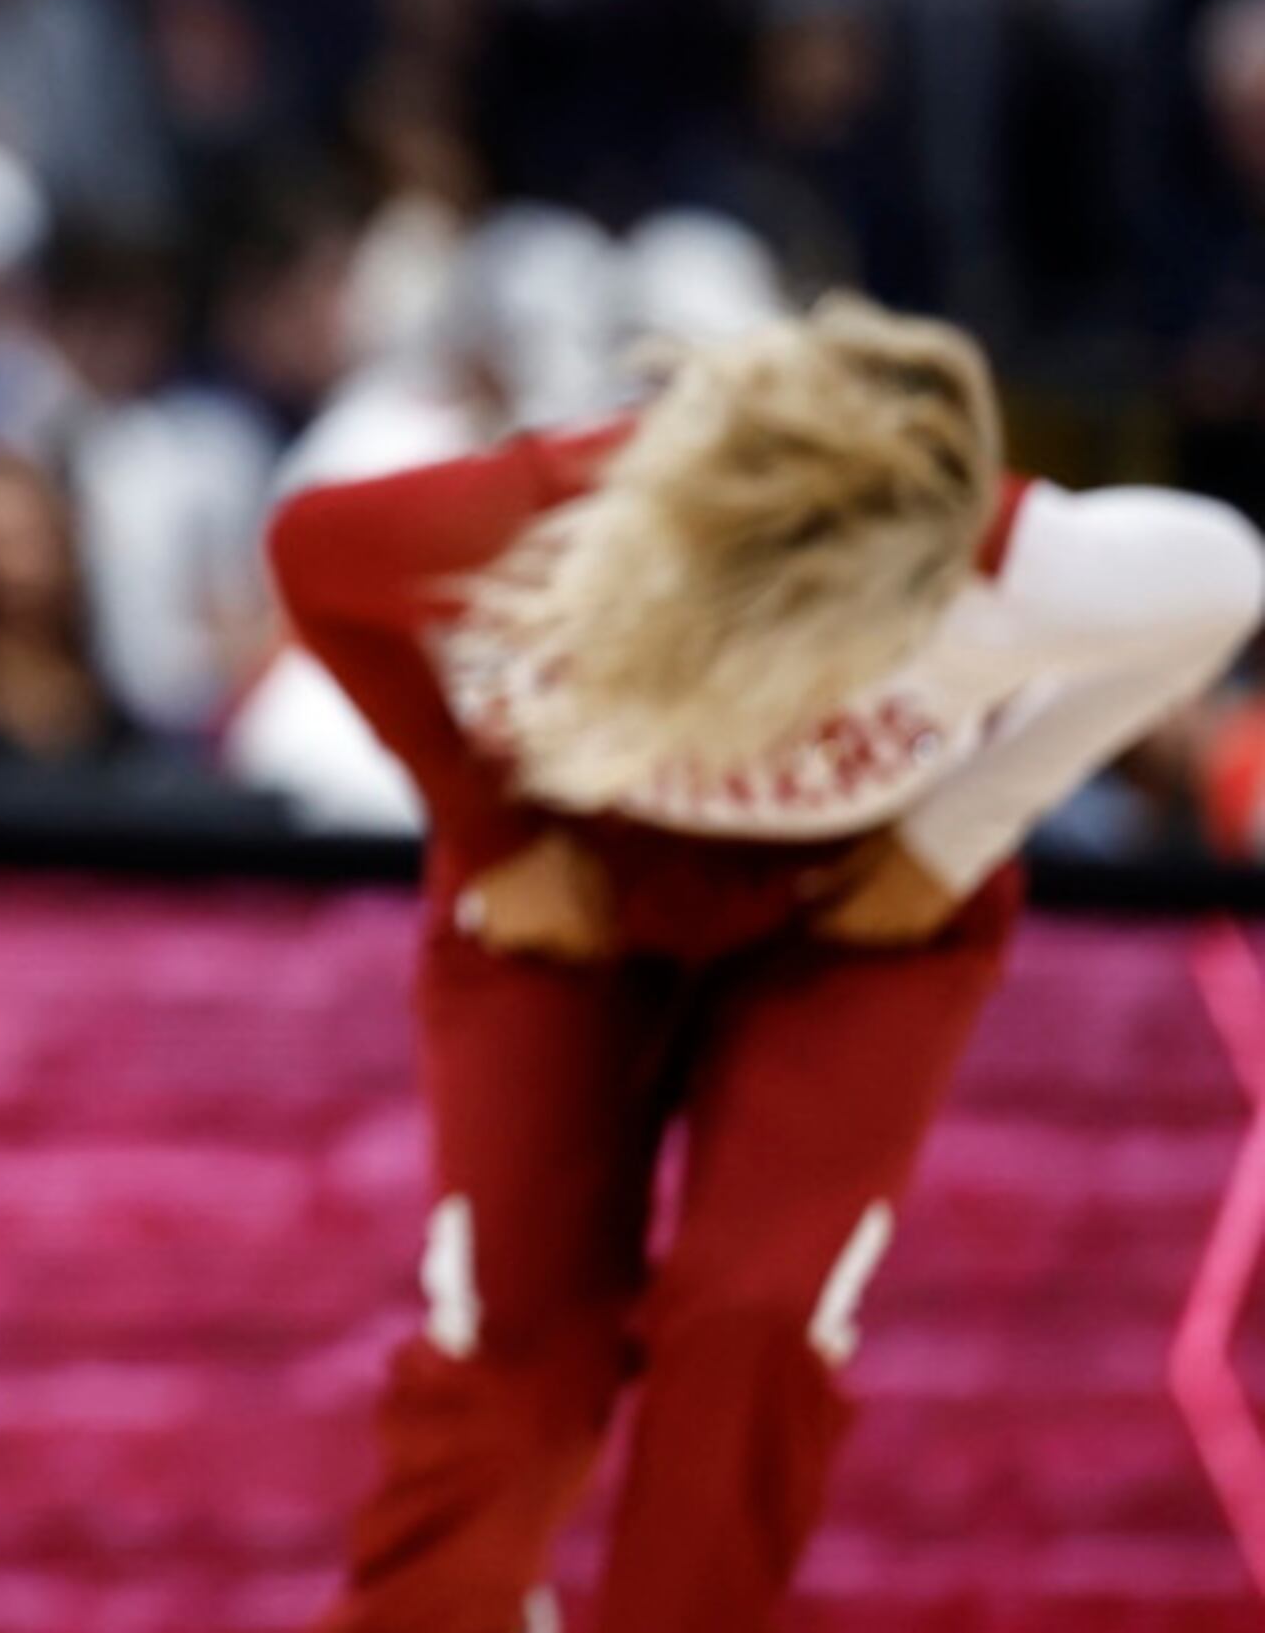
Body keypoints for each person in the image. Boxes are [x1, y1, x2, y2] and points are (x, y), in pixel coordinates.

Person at [267, 295, 1265, 1633]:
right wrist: (489, 827)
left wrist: (959, 826)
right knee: (521, 1345)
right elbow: (315, 557)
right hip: (578, 891)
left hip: (850, 919)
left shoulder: (1000, 561)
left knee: (755, 1323)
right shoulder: (561, 513)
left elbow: (1228, 580)